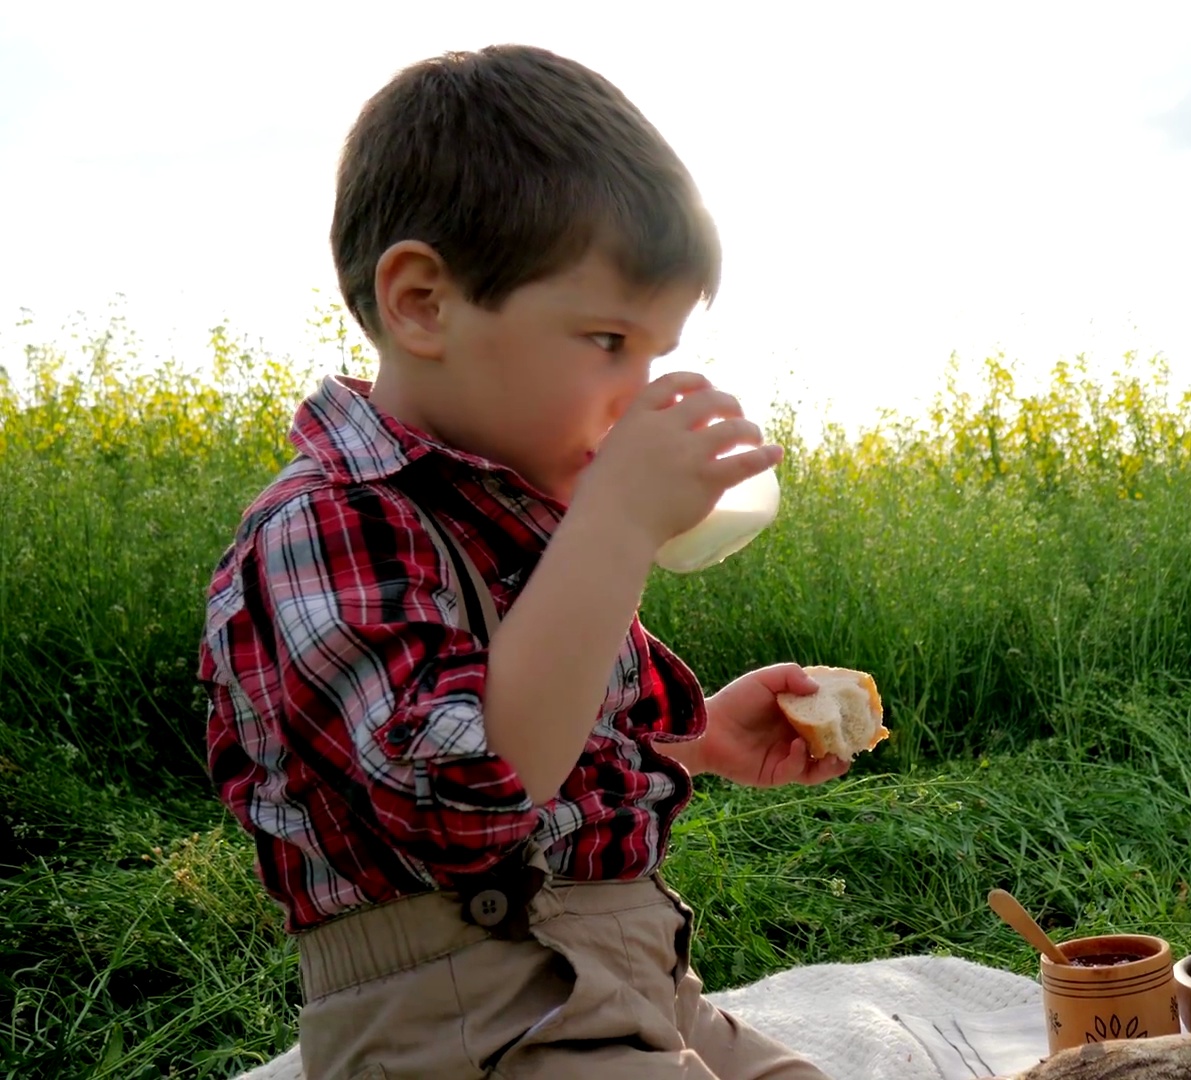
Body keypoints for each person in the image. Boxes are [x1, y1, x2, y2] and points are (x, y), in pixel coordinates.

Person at [198, 44, 847, 1080]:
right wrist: (618, 525)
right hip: (454, 1013)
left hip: (628, 979)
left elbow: (561, 745)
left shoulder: (531, 516)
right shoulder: (327, 528)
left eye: (655, 351)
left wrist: (699, 739)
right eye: (606, 340)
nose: (636, 389)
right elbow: (473, 795)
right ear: (422, 303)